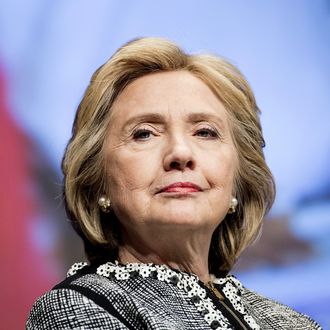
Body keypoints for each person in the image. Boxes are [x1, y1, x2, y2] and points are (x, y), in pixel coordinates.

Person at [26, 37, 321, 329]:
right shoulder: (80, 307)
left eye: (205, 132)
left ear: (238, 178)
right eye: (144, 133)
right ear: (97, 179)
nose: (180, 153)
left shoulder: (293, 323)